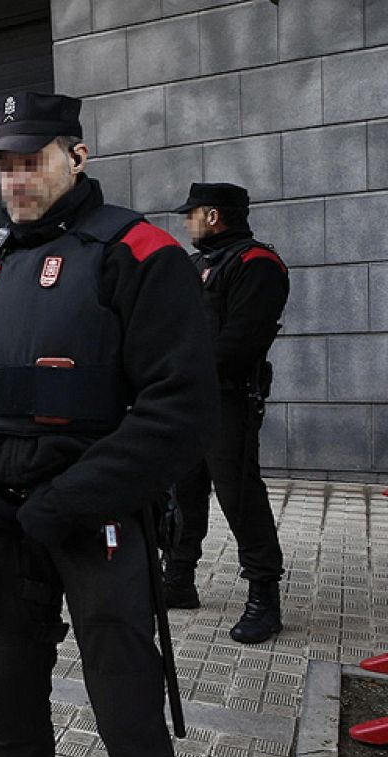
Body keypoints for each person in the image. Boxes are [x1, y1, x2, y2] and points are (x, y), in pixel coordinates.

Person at [0, 92, 218, 757]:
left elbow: (179, 409)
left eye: (34, 160)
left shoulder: (139, 253)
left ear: (76, 156)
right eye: (5, 165)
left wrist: (72, 501)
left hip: (99, 524)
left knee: (127, 711)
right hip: (3, 527)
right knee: (9, 700)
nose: (17, 179)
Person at [162, 183, 288, 644]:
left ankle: (264, 598)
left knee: (239, 496)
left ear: (213, 215)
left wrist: (182, 373)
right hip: (188, 401)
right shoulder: (197, 265)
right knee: (183, 492)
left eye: (191, 214)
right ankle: (178, 580)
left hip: (228, 401)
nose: (186, 222)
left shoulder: (257, 265)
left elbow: (240, 342)